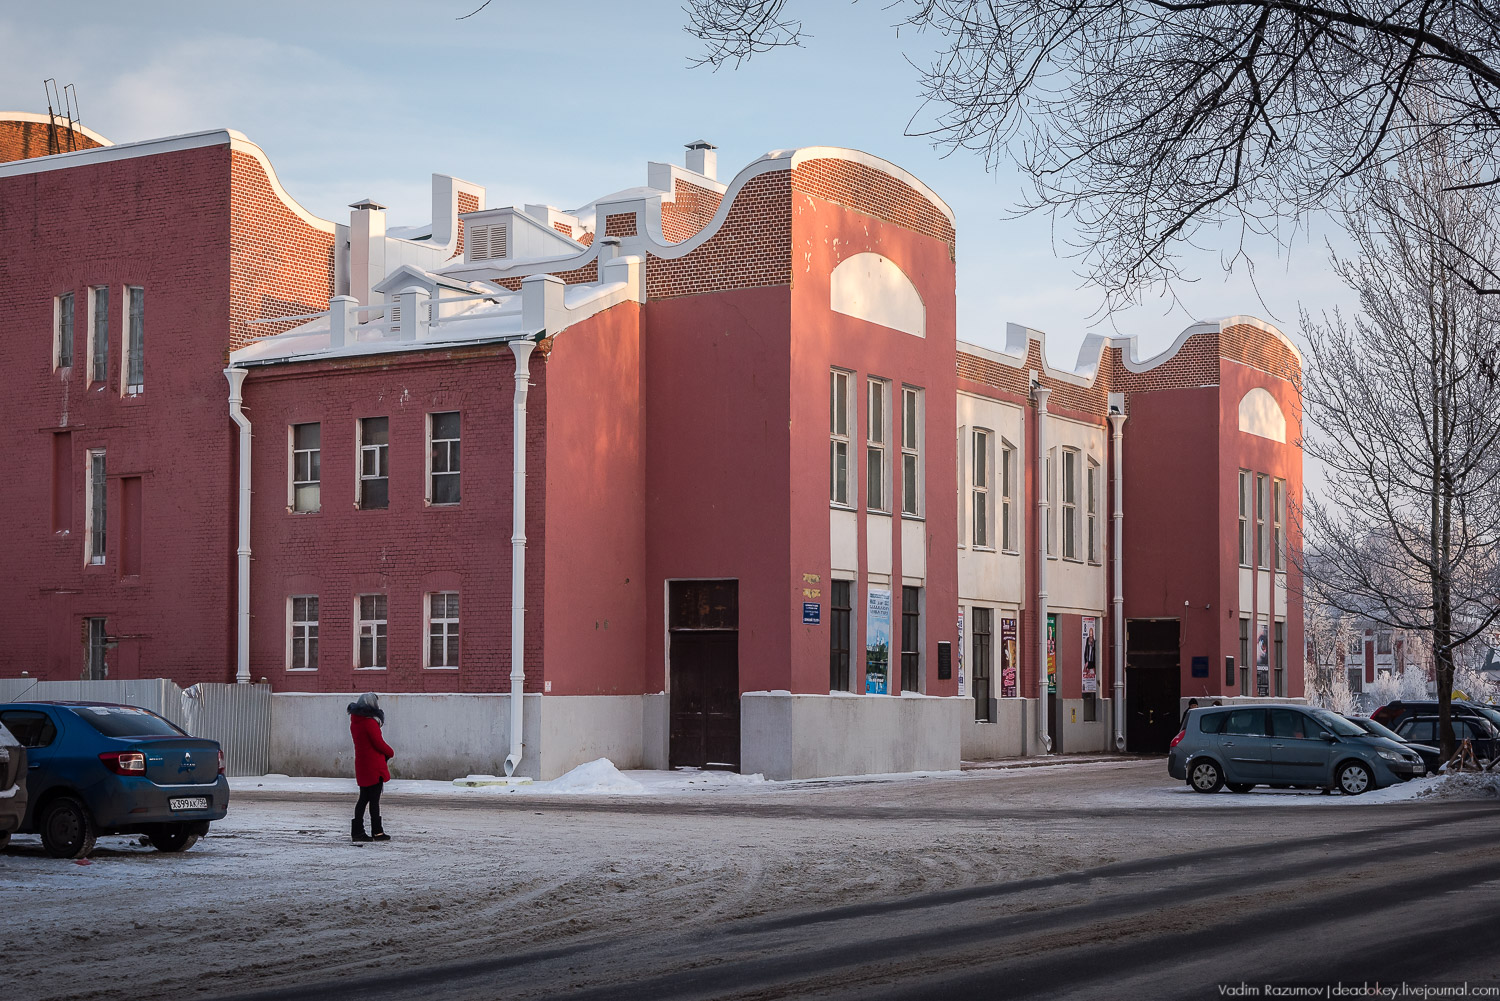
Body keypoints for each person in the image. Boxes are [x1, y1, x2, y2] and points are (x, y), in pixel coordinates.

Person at [347, 692, 394, 842]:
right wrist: (390, 752)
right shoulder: (369, 723)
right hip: (374, 767)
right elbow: (378, 743)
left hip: (362, 765)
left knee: (363, 799)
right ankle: (377, 832)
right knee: (374, 800)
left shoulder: (355, 722)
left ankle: (357, 831)